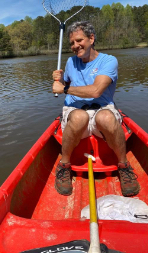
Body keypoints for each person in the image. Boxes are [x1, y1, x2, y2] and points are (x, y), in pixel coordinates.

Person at [52, 21, 140, 197]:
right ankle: (64, 165)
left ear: (91, 38)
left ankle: (123, 165)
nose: (75, 46)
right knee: (79, 118)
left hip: (102, 108)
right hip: (76, 111)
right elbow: (66, 84)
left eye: (79, 40)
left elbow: (96, 90)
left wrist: (64, 89)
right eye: (72, 43)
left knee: (106, 118)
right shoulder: (70, 61)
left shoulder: (109, 61)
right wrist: (59, 80)